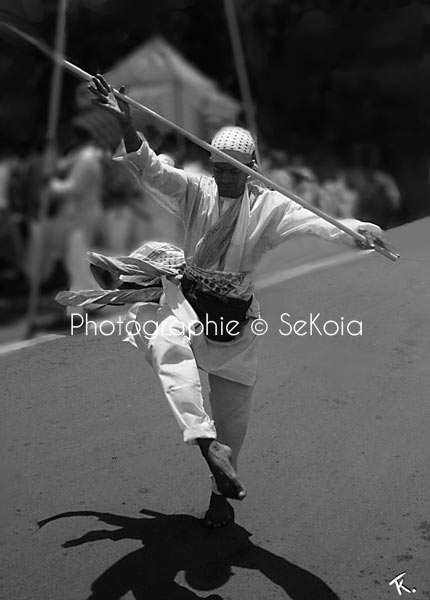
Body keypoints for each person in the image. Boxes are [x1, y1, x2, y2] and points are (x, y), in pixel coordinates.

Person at [88, 74, 382, 528]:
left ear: (251, 170)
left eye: (232, 169)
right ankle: (205, 444)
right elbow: (152, 170)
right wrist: (127, 124)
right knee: (164, 345)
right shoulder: (195, 189)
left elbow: (317, 223)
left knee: (235, 420)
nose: (221, 175)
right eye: (216, 165)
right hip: (187, 302)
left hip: (234, 322)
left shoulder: (271, 207)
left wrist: (356, 232)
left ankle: (219, 492)